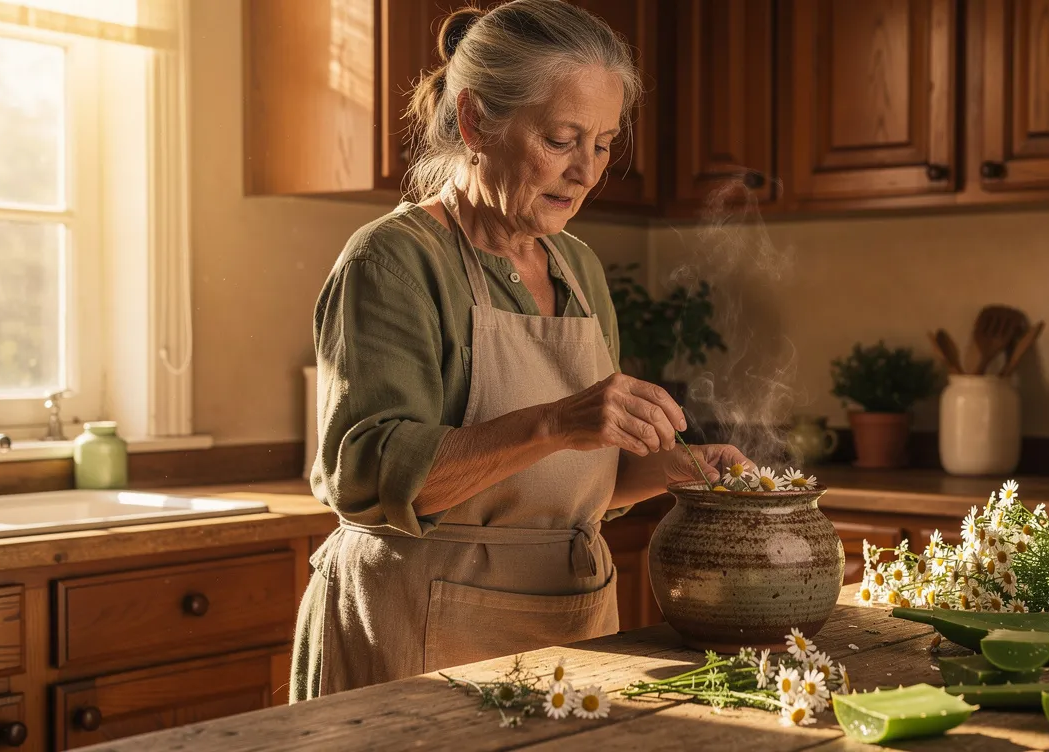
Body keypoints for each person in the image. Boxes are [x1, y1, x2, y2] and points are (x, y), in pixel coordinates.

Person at [290, 0, 751, 702]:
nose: (586, 171)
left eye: (603, 144)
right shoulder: (393, 261)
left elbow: (570, 486)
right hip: (419, 625)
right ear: (477, 122)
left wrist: (678, 469)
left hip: (571, 629)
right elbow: (370, 479)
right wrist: (558, 421)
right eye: (562, 139)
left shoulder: (578, 266)